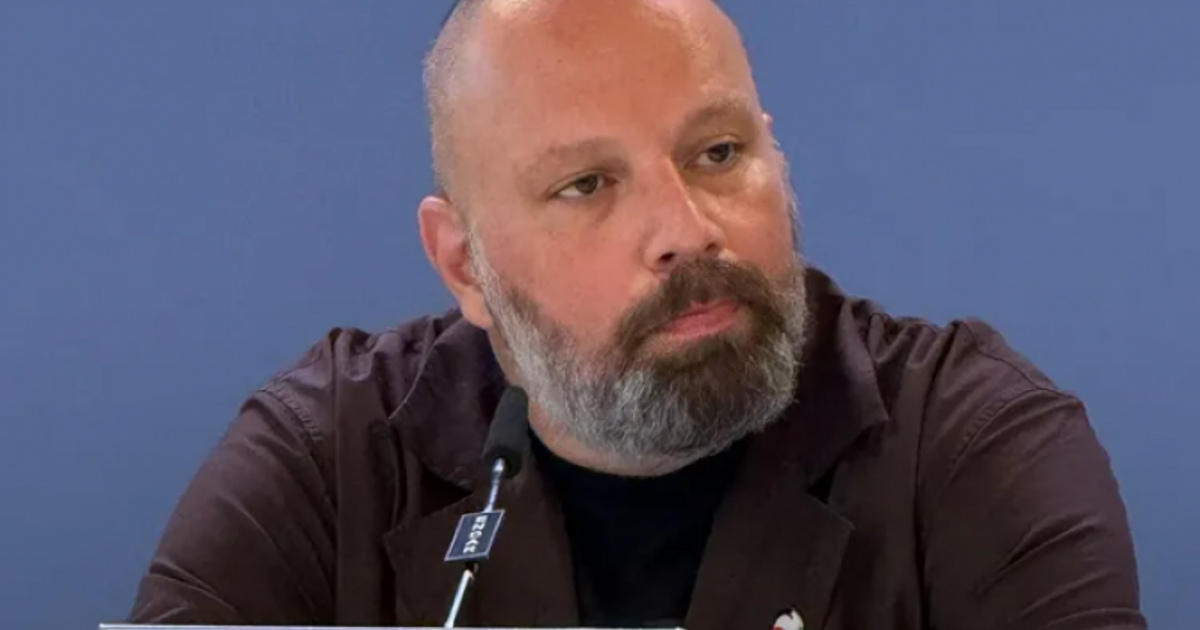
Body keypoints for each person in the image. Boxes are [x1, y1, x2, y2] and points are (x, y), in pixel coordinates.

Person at [128, 0, 1145, 628]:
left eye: (718, 154)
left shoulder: (969, 438)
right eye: (586, 185)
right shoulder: (329, 457)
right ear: (464, 264)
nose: (686, 231)